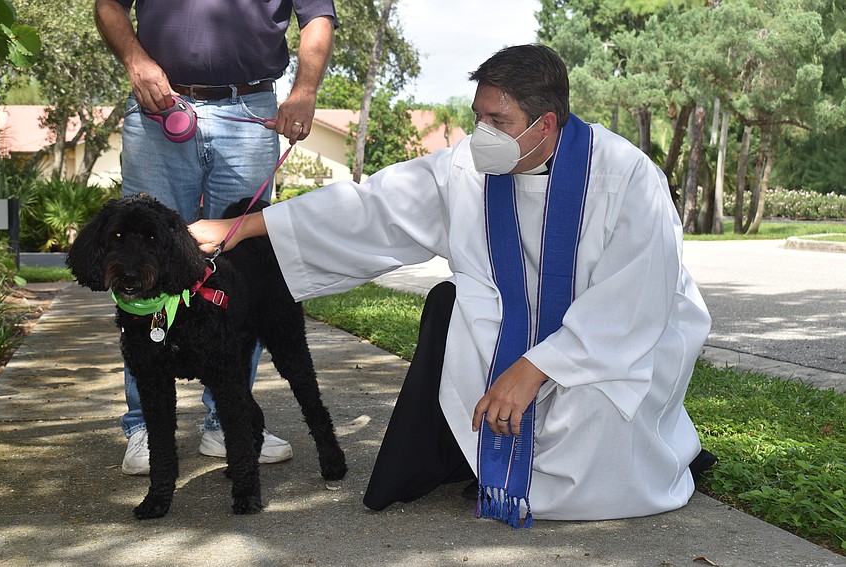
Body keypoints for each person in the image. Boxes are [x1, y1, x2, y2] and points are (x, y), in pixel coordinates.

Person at [188, 44, 715, 526]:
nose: (480, 132)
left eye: (497, 119)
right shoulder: (469, 168)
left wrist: (536, 368)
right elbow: (375, 208)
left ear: (546, 124)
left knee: (601, 421)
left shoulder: (626, 177)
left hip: (607, 340)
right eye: (478, 116)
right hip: (508, 322)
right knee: (460, 328)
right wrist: (249, 227)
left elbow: (634, 296)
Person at [94, 0, 338, 475]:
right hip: (157, 107)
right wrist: (136, 61)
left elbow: (317, 17)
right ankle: (143, 425)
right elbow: (109, 5)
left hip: (251, 108)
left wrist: (305, 89)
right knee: (137, 264)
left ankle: (227, 422)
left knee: (238, 271)